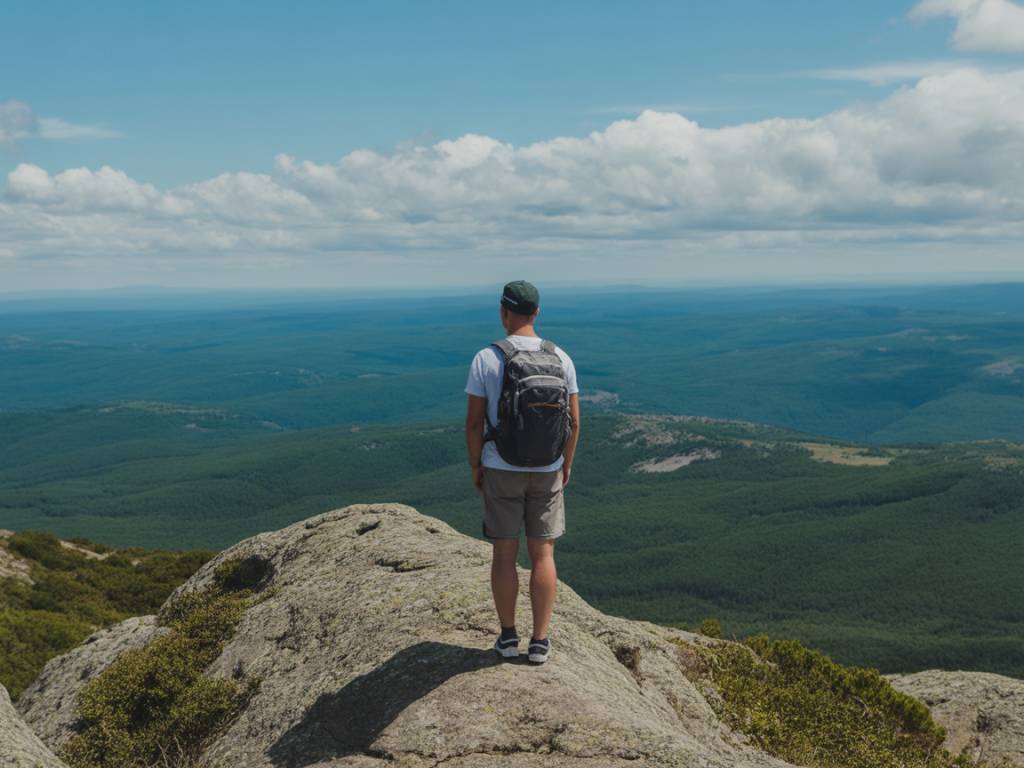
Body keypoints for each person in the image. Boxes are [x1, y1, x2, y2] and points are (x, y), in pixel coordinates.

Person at [464, 280, 580, 664]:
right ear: (537, 313)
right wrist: (566, 464)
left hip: (501, 466)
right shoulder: (561, 358)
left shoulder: (487, 358)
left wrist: (476, 464)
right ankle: (541, 641)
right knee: (543, 553)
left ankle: (508, 637)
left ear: (503, 312)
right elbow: (575, 422)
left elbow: (474, 423)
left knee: (504, 553)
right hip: (548, 467)